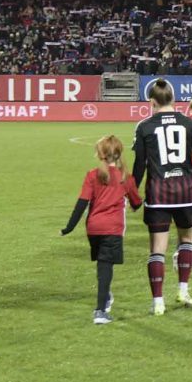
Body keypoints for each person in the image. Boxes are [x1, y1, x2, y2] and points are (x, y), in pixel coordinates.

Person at [133, 79, 192, 315]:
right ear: (173, 98)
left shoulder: (144, 126)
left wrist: (131, 195)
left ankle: (158, 302)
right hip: (186, 192)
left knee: (157, 249)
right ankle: (183, 289)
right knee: (187, 241)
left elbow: (140, 166)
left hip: (158, 193)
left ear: (152, 101)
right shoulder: (191, 124)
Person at [60, 135, 142, 325]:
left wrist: (69, 228)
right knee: (105, 268)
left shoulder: (92, 175)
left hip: (93, 229)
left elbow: (82, 203)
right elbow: (137, 203)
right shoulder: (125, 178)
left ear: (99, 153)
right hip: (113, 228)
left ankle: (105, 296)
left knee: (102, 266)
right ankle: (100, 311)